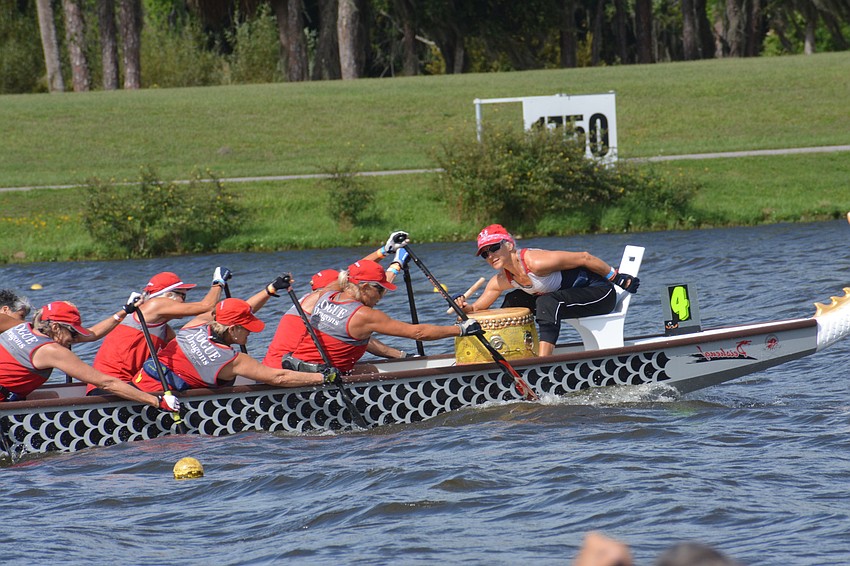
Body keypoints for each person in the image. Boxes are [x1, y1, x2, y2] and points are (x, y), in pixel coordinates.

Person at [454, 224, 640, 357]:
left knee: (546, 302)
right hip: (566, 300)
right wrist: (462, 306)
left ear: (509, 245)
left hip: (599, 294)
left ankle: (543, 362)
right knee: (514, 300)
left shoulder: (536, 262)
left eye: (494, 248)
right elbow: (477, 309)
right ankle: (514, 351)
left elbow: (584, 257)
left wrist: (617, 278)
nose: (490, 256)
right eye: (485, 254)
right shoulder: (501, 281)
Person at [281, 259, 483, 374]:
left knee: (372, 370)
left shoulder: (325, 295)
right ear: (366, 287)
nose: (381, 297)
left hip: (299, 368)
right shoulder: (364, 315)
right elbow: (418, 332)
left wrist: (394, 261)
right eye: (380, 291)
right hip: (318, 379)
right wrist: (461, 329)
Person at [130, 279, 327, 392]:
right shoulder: (234, 360)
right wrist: (324, 377)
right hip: (158, 398)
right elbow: (279, 378)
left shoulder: (195, 324)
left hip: (138, 384)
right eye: (247, 327)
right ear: (232, 330)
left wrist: (269, 290)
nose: (250, 332)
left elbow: (241, 310)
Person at [263, 231, 412, 369]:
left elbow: (357, 274)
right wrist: (395, 265)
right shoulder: (328, 304)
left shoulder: (312, 301)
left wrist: (385, 251)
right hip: (287, 372)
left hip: (275, 368)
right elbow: (366, 284)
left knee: (365, 368)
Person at [0, 300, 179, 413]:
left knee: (46, 396)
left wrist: (124, 311)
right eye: (72, 333)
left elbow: (91, 334)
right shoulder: (52, 351)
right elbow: (107, 383)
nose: (74, 339)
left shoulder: (19, 326)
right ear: (55, 327)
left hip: (8, 398)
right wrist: (156, 401)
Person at [89, 268, 230, 390]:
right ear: (168, 295)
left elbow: (185, 355)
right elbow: (207, 306)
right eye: (183, 296)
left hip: (127, 387)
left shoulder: (165, 330)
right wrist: (218, 282)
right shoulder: (155, 305)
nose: (185, 302)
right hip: (110, 389)